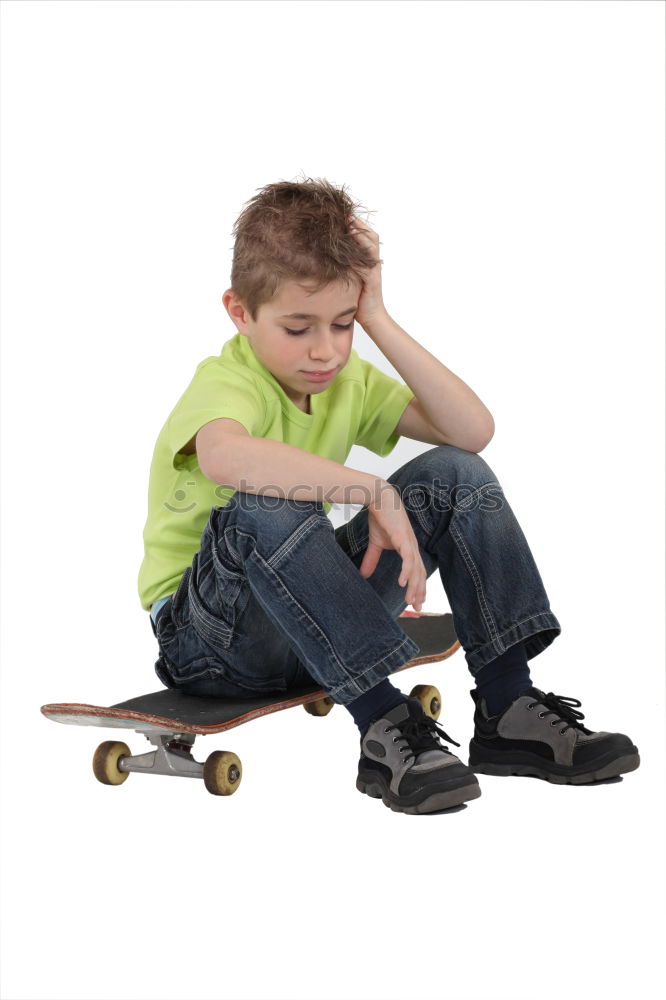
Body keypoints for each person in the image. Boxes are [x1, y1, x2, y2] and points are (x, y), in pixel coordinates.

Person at [138, 176, 640, 815]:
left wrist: (376, 315)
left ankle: (508, 704)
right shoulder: (228, 380)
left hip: (317, 620)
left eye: (341, 324)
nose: (325, 350)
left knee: (457, 475)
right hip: (211, 640)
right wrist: (368, 488)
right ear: (240, 312)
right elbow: (224, 455)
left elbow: (472, 432)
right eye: (298, 328)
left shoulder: (345, 377)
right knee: (261, 503)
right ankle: (382, 725)